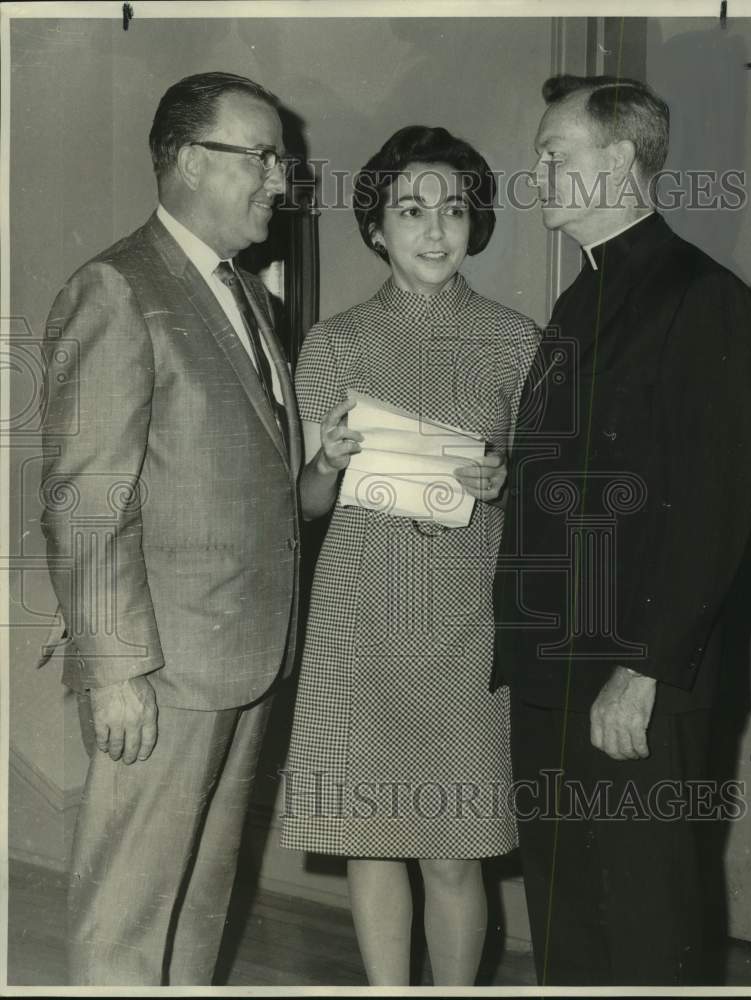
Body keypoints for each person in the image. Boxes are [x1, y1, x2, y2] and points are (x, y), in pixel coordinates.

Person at [493, 74, 751, 986]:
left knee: (644, 926)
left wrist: (644, 671)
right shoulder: (581, 299)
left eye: (552, 155)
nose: (533, 174)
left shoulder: (703, 298)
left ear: (618, 161)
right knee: (566, 919)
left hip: (629, 678)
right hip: (549, 668)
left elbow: (712, 509)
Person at [39, 71, 302, 986]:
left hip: (243, 656)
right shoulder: (118, 288)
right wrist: (114, 669)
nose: (282, 176)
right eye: (262, 155)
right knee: (127, 916)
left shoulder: (249, 297)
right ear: (190, 161)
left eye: (282, 156)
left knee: (199, 901)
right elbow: (86, 501)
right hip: (161, 668)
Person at [280, 125, 540, 986]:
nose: (435, 229)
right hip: (359, 617)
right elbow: (308, 505)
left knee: (455, 849)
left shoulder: (515, 341)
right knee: (370, 836)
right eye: (411, 209)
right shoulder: (335, 342)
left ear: (475, 224)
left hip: (464, 624)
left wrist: (507, 479)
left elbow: (546, 498)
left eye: (454, 209)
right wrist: (324, 465)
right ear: (376, 228)